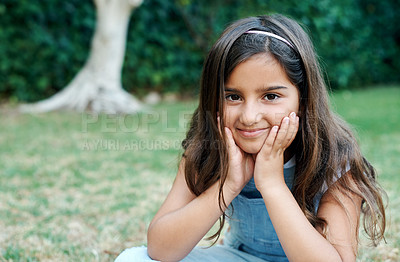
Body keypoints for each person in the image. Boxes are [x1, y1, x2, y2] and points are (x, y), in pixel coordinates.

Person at [115, 14, 386, 262]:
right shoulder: (210, 149)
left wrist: (272, 184)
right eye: (233, 96)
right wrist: (228, 184)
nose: (249, 116)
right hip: (240, 257)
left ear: (303, 100)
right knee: (132, 259)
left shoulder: (334, 158)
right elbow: (160, 249)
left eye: (270, 96)